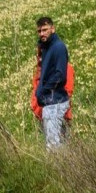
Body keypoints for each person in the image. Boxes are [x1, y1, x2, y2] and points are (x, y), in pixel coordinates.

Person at [35, 16, 70, 149]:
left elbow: (60, 75)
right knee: (59, 144)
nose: (42, 33)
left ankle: (58, 169)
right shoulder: (46, 48)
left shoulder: (58, 47)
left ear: (53, 29)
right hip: (50, 102)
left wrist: (43, 91)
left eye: (45, 30)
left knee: (53, 146)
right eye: (39, 31)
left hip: (54, 102)